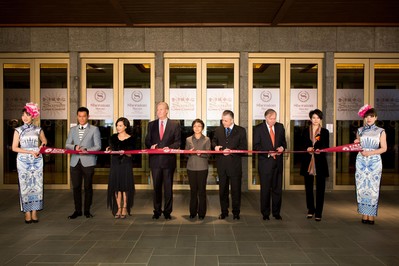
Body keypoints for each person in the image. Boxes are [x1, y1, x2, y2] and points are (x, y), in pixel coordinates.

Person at [145, 102, 181, 220]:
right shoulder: (151, 125)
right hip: (155, 161)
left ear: (167, 110)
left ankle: (167, 211)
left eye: (161, 109)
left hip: (168, 161)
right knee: (156, 188)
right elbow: (147, 140)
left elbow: (178, 142)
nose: (158, 111)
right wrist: (151, 146)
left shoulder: (174, 124)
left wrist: (170, 148)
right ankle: (157, 211)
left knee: (168, 188)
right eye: (157, 110)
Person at [12, 102, 47, 224]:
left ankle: (34, 212)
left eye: (27, 115)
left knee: (37, 185)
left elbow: (44, 141)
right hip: (23, 160)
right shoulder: (18, 130)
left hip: (37, 160)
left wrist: (40, 148)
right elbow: (14, 148)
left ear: (33, 116)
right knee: (25, 185)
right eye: (23, 115)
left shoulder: (38, 129)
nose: (25, 117)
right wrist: (29, 151)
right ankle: (27, 212)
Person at [65, 107, 101, 219]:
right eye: (79, 116)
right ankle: (77, 210)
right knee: (76, 187)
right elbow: (67, 144)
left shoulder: (94, 129)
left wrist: (87, 150)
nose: (81, 118)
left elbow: (98, 146)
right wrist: (75, 147)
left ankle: (87, 210)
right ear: (77, 116)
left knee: (87, 187)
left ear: (88, 117)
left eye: (84, 116)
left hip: (88, 162)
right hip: (75, 162)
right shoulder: (73, 130)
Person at [354, 105, 387, 225]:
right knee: (362, 187)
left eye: (371, 116)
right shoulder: (359, 130)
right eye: (367, 116)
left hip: (374, 162)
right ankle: (364, 214)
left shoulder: (381, 131)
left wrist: (371, 152)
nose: (369, 119)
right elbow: (357, 147)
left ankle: (371, 216)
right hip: (361, 161)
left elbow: (384, 148)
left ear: (376, 118)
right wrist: (356, 143)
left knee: (373, 188)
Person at [212, 110, 247, 220]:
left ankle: (236, 212)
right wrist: (215, 147)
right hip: (222, 165)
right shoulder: (218, 130)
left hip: (235, 165)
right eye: (222, 120)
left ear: (232, 120)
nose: (223, 122)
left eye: (225, 120)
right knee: (223, 190)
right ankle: (224, 211)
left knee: (236, 190)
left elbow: (244, 148)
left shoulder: (241, 131)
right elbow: (213, 141)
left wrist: (231, 151)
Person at [253, 109, 286, 220]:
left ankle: (276, 212)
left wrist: (282, 148)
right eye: (271, 118)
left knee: (277, 190)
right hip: (265, 164)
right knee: (265, 190)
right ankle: (265, 213)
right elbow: (256, 146)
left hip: (278, 164)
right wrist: (268, 152)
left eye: (275, 118)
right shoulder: (258, 129)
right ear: (266, 118)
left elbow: (283, 142)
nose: (273, 121)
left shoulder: (280, 127)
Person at [300, 109, 329, 222]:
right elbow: (301, 144)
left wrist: (318, 149)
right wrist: (307, 148)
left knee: (321, 188)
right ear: (310, 119)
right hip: (308, 162)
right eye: (313, 118)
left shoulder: (324, 132)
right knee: (308, 187)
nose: (315, 120)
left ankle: (319, 212)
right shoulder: (305, 131)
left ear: (320, 119)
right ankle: (311, 209)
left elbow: (325, 145)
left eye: (318, 118)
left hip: (320, 162)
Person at [106, 117, 135, 219]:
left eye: (120, 126)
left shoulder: (131, 139)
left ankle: (125, 208)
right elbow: (111, 148)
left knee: (125, 187)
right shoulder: (113, 138)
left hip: (126, 164)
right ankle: (118, 208)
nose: (118, 127)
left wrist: (125, 153)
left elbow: (133, 154)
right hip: (115, 165)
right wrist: (109, 149)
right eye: (117, 125)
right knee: (116, 187)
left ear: (125, 126)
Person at [185, 119, 211, 220]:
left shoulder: (207, 139)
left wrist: (202, 153)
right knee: (193, 191)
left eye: (199, 126)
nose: (197, 128)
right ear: (192, 127)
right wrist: (189, 152)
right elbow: (185, 153)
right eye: (195, 126)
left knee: (201, 191)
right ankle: (192, 212)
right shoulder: (188, 140)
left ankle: (201, 213)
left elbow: (209, 154)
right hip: (191, 167)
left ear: (202, 128)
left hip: (202, 168)